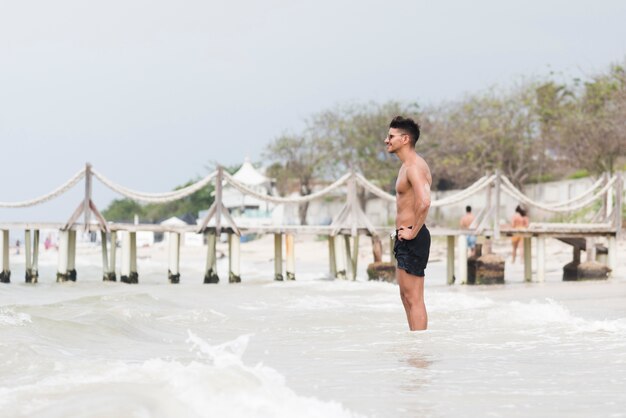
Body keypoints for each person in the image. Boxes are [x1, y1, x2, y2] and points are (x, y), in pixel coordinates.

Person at [384, 116, 431, 331]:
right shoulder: (405, 166)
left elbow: (425, 201)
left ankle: (420, 356)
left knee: (414, 299)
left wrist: (413, 232)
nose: (387, 140)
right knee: (405, 297)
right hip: (405, 237)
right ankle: (415, 350)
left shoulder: (414, 166)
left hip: (413, 236)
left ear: (405, 139)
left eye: (391, 136)